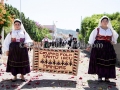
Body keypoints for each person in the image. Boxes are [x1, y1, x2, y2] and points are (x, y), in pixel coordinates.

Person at [87, 16, 119, 82]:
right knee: (99, 61)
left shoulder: (110, 30)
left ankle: (107, 77)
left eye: (106, 21)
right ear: (101, 22)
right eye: (103, 21)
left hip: (108, 47)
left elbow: (114, 39)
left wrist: (113, 41)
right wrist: (89, 46)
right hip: (98, 47)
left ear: (108, 22)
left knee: (108, 62)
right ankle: (100, 76)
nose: (105, 22)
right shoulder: (97, 29)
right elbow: (92, 38)